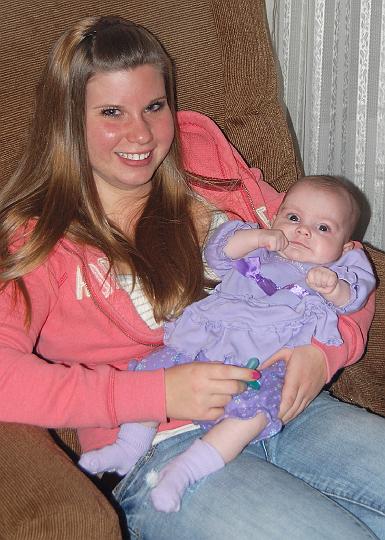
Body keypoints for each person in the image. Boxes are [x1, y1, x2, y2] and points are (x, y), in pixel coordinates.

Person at [0, 14, 384, 540]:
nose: (141, 133)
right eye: (112, 112)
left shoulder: (202, 158)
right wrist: (154, 393)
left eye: (154, 107)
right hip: (156, 446)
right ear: (68, 121)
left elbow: (341, 256)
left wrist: (324, 355)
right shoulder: (40, 237)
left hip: (285, 409)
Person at [79, 175, 375, 513]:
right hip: (207, 341)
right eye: (293, 218)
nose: (303, 230)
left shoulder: (337, 268)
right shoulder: (259, 249)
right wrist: (260, 237)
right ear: (276, 217)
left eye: (323, 229)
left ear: (347, 247)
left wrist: (334, 291)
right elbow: (219, 252)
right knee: (156, 369)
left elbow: (355, 294)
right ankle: (130, 444)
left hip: (264, 366)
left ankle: (187, 469)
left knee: (258, 409)